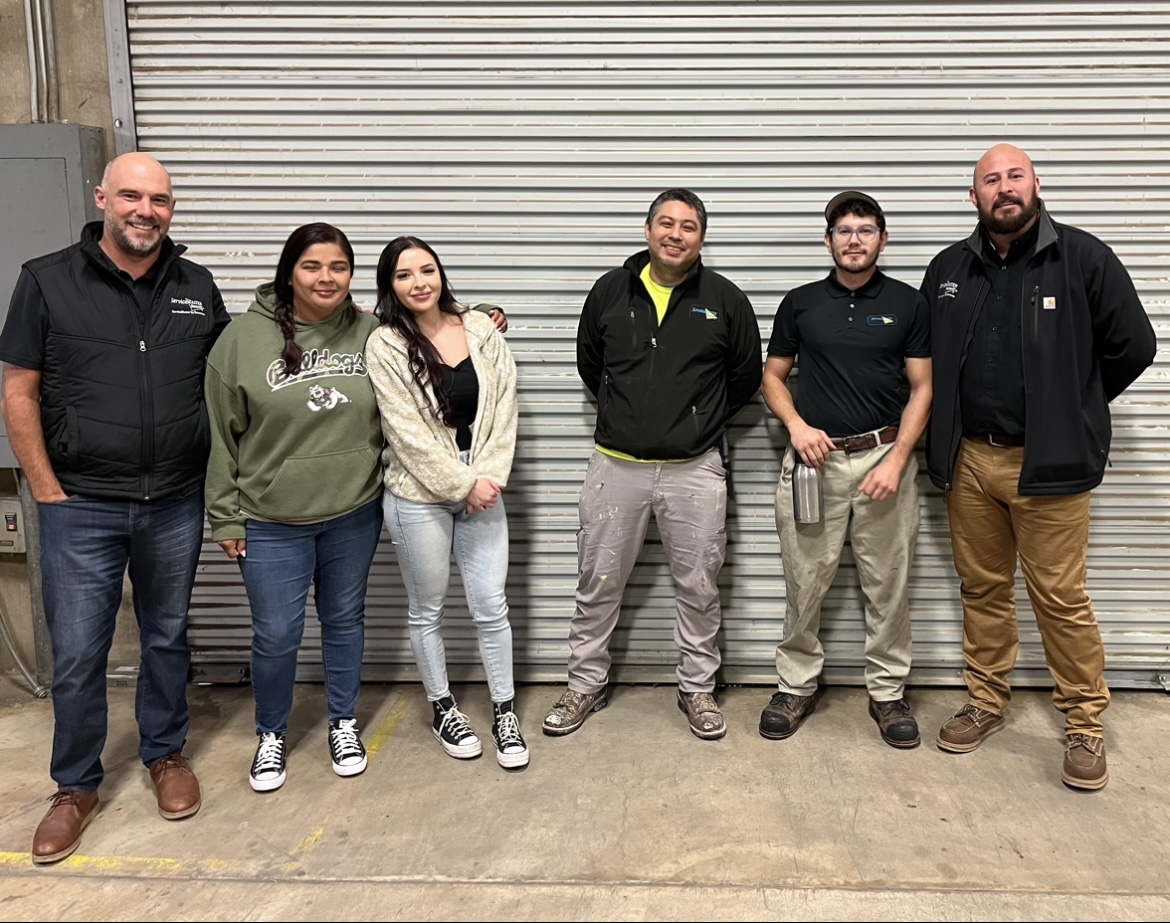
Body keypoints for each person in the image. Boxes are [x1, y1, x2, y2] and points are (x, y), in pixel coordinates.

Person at [0, 153, 230, 864]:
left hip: (175, 499)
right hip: (81, 503)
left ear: (171, 208)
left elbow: (238, 370)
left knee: (167, 637)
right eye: (131, 196)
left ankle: (165, 753)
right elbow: (18, 390)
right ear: (102, 197)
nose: (145, 211)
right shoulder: (47, 279)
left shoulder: (196, 285)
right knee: (77, 652)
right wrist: (44, 486)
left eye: (159, 199)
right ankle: (74, 786)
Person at [922, 144, 1157, 790]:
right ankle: (985, 701)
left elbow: (1134, 345)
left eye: (1015, 176)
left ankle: (1084, 722)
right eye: (990, 180)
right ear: (973, 196)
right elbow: (930, 358)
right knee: (982, 588)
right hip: (971, 460)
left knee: (1059, 597)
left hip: (1049, 463)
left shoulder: (1083, 257)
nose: (1004, 188)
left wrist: (1071, 407)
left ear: (1035, 183)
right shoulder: (949, 268)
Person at [542, 188, 762, 741]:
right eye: (666, 223)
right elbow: (590, 364)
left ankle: (698, 688)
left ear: (702, 238)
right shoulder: (610, 291)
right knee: (598, 582)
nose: (675, 234)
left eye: (688, 226)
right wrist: (629, 414)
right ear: (647, 230)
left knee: (699, 585)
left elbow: (744, 377)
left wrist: (697, 420)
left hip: (695, 468)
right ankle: (585, 684)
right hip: (616, 466)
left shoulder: (726, 300)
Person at [204, 223, 385, 792]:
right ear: (288, 273)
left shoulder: (372, 332)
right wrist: (224, 515)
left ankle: (343, 722)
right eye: (312, 266)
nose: (326, 278)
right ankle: (271, 733)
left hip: (354, 511)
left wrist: (480, 314)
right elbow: (220, 436)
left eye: (338, 267)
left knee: (344, 621)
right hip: (270, 520)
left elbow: (432, 327)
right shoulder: (242, 340)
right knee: (277, 634)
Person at [758, 191, 932, 748]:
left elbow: (923, 388)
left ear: (883, 239)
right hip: (816, 462)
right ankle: (795, 686)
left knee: (889, 583)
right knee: (804, 579)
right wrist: (796, 426)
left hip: (885, 460)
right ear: (828, 240)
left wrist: (898, 458)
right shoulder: (801, 303)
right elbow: (772, 377)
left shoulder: (909, 303)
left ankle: (888, 693)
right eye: (844, 231)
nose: (854, 240)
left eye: (865, 230)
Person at [365, 236, 527, 770]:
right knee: (427, 609)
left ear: (441, 274)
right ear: (390, 285)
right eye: (404, 275)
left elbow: (504, 405)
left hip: (484, 489)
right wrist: (461, 484)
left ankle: (504, 711)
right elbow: (404, 431)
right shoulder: (386, 344)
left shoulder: (480, 328)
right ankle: (443, 708)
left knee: (491, 606)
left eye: (427, 270)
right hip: (418, 497)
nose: (419, 283)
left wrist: (488, 478)